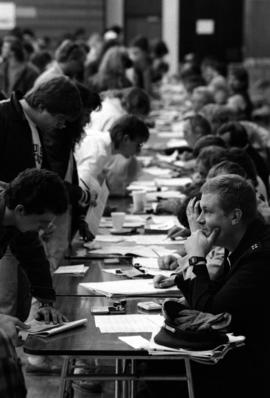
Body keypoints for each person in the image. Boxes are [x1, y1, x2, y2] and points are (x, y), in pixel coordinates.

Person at [155, 175, 270, 398]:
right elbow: (208, 296)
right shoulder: (240, 243)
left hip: (251, 370)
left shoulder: (260, 255)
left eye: (206, 212)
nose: (199, 220)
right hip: (237, 353)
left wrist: (197, 258)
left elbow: (211, 311)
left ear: (235, 216)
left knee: (159, 372)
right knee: (155, 366)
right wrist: (196, 258)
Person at [0, 168, 69, 398]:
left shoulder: (15, 215)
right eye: (40, 222)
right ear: (20, 210)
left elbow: (33, 256)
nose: (43, 230)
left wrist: (46, 301)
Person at [75, 114, 150, 196]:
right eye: (138, 145)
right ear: (126, 139)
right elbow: (81, 186)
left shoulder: (103, 143)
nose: (138, 151)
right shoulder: (99, 153)